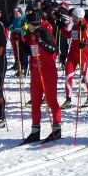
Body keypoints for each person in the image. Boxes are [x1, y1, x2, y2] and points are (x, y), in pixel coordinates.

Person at [19, 12, 62, 143]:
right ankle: (35, 131)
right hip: (35, 72)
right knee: (35, 102)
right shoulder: (30, 34)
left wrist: (40, 41)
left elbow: (52, 49)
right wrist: (20, 41)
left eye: (29, 24)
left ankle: (56, 128)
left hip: (48, 72)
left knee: (51, 101)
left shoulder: (44, 33)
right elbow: (27, 51)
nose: (28, 26)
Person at [61, 7, 88, 109]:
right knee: (68, 76)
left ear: (78, 16)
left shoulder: (87, 25)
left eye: (73, 16)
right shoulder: (75, 25)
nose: (72, 17)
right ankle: (68, 99)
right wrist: (61, 27)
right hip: (72, 55)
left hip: (83, 54)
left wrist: (83, 28)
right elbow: (68, 35)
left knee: (86, 76)